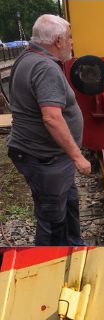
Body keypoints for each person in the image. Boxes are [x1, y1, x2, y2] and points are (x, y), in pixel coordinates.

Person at [6, 14, 91, 246]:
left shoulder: (27, 58)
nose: (72, 43)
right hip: (45, 158)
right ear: (57, 41)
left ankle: (74, 246)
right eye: (69, 38)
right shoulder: (45, 68)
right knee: (52, 220)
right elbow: (52, 118)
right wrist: (78, 157)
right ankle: (50, 261)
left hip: (46, 156)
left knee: (69, 203)